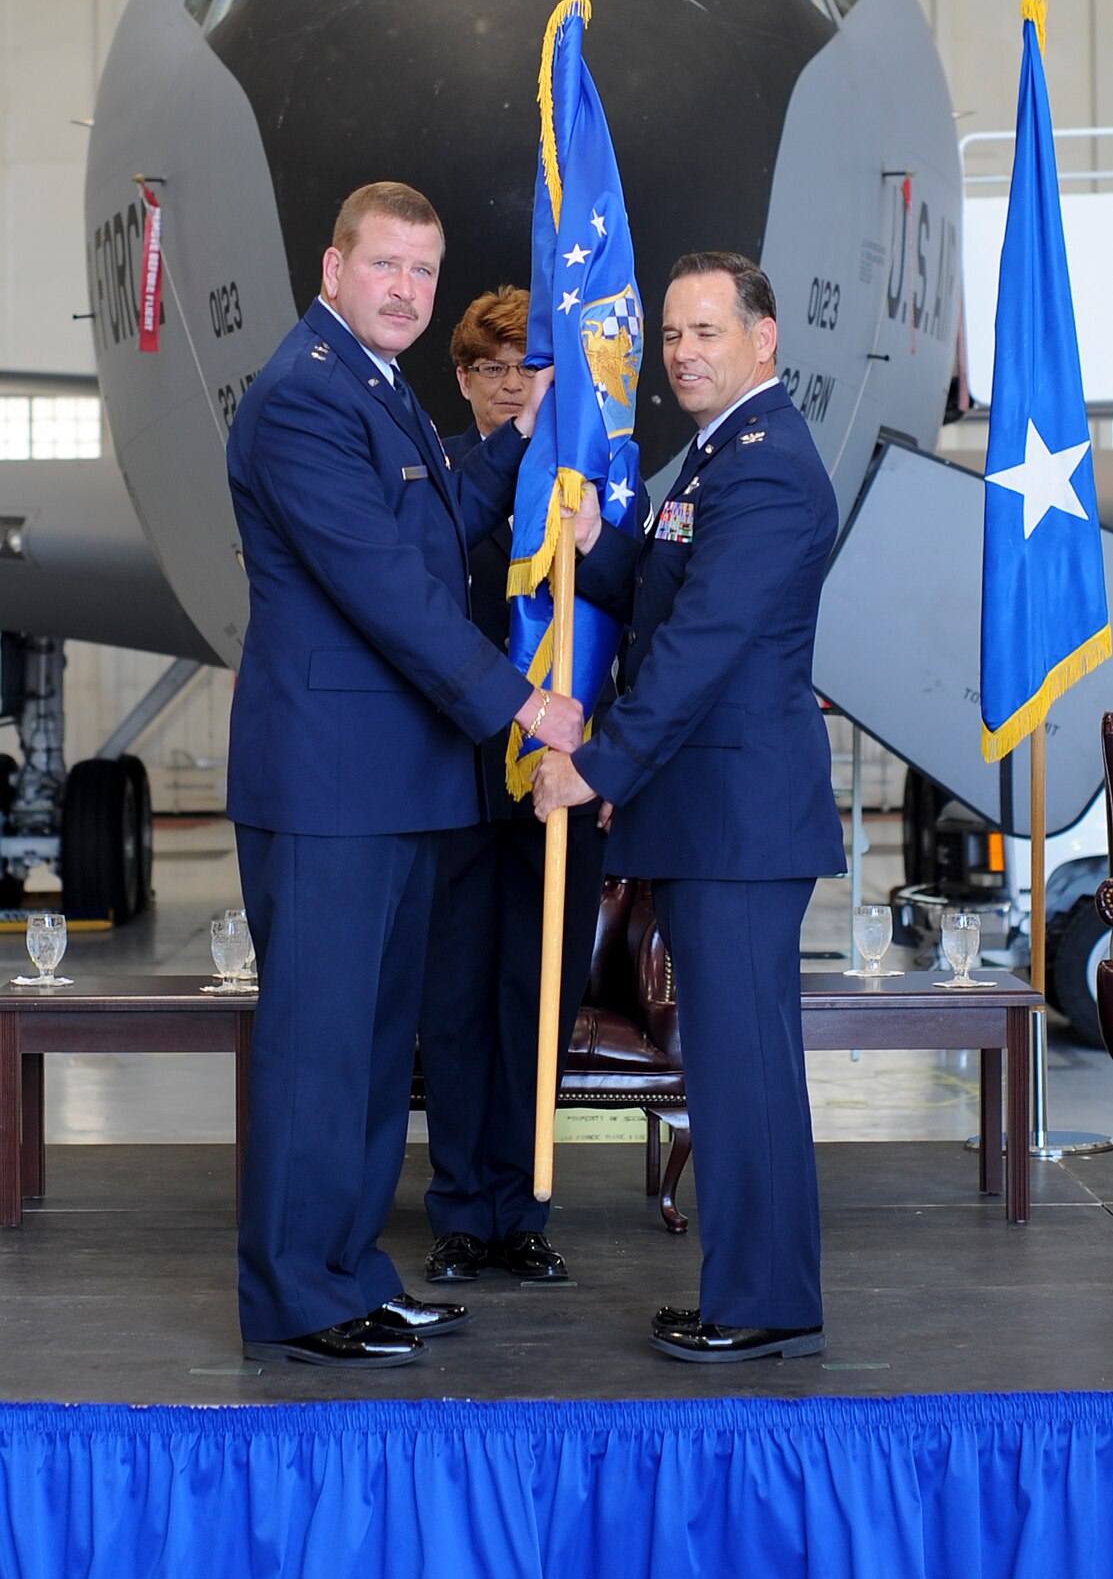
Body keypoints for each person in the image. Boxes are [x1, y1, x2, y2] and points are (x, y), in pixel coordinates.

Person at [226, 182, 583, 1369]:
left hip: (390, 786)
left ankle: (347, 1271)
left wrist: (530, 430)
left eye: (423, 273)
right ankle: (294, 1292)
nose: (407, 291)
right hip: (331, 788)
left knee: (376, 1053)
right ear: (332, 271)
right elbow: (388, 586)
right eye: (385, 266)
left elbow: (450, 517)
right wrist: (518, 698)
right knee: (317, 1050)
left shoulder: (381, 394)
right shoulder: (301, 398)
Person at [534, 251, 844, 1365]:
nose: (681, 352)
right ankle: (755, 1287)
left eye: (707, 330)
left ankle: (761, 1298)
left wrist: (599, 765)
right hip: (719, 809)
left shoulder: (763, 467)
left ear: (763, 337)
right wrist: (600, 548)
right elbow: (675, 594)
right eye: (670, 334)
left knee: (743, 1062)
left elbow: (704, 646)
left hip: (737, 813)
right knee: (728, 1058)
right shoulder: (717, 461)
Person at [419, 286, 608, 1286]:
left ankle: (523, 1209)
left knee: (537, 997)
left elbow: (628, 633)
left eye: (527, 367)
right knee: (452, 1005)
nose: (508, 385)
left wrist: (610, 759)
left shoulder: (587, 487)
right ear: (460, 379)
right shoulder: (436, 483)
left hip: (557, 788)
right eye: (489, 367)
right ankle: (459, 1210)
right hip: (452, 783)